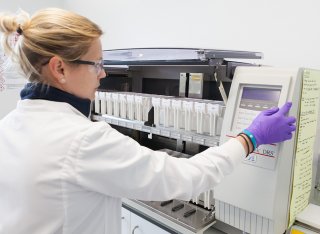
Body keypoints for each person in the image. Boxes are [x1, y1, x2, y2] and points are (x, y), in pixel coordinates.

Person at [0, 8, 296, 234]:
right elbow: (186, 179)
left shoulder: (9, 125)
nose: (103, 75)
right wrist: (250, 137)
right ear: (59, 68)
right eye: (97, 65)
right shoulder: (82, 141)